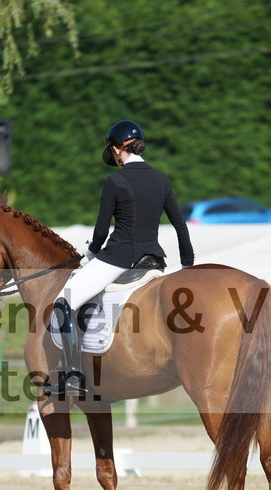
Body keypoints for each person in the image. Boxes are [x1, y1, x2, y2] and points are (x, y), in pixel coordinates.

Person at [46, 119, 195, 398]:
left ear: (117, 150)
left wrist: (92, 252)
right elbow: (180, 225)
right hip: (153, 260)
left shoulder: (115, 181)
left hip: (118, 258)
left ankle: (73, 374)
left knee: (63, 302)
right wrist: (188, 264)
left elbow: (102, 231)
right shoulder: (161, 179)